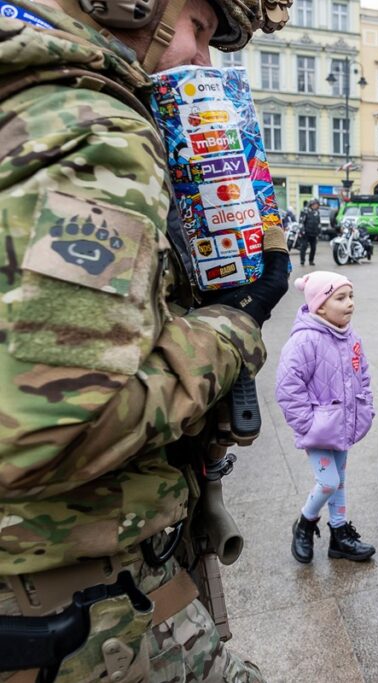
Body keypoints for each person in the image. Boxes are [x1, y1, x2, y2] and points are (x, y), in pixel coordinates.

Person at [0, 0, 291, 679]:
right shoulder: (93, 128)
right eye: (200, 27)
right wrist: (233, 324)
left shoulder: (24, 97)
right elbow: (49, 428)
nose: (202, 59)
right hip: (79, 604)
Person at [275, 271, 376, 565]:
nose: (350, 304)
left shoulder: (350, 336)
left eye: (351, 297)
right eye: (341, 298)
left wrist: (364, 404)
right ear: (320, 305)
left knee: (340, 481)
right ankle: (305, 524)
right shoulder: (304, 340)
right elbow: (288, 385)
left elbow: (363, 373)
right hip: (319, 428)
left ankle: (340, 535)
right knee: (328, 481)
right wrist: (307, 424)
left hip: (342, 423)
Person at [298, 198, 322, 266]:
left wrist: (320, 232)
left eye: (317, 204)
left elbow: (319, 223)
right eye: (315, 204)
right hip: (306, 233)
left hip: (314, 234)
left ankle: (311, 261)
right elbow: (301, 222)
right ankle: (302, 261)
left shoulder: (317, 212)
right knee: (304, 247)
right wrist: (302, 230)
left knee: (313, 248)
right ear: (311, 204)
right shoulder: (305, 211)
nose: (317, 206)